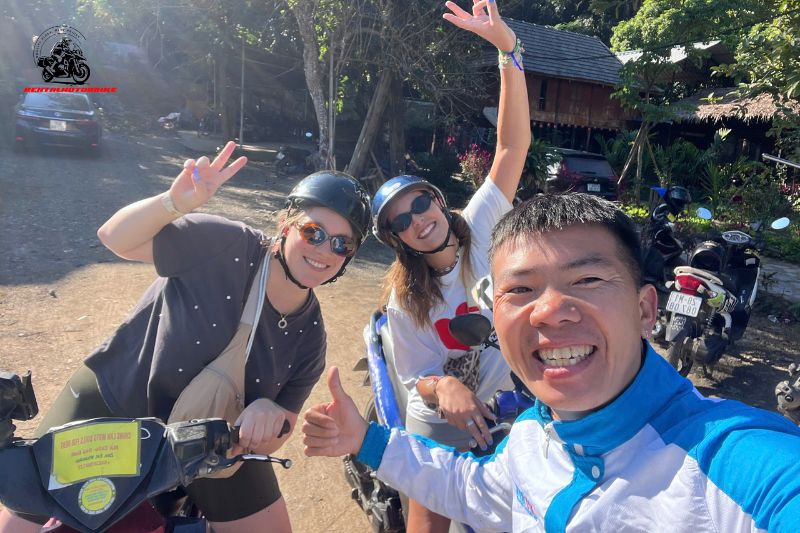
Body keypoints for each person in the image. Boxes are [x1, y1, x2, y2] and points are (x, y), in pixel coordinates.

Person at [303, 192, 800, 532]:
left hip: (498, 391)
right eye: (521, 289)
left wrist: (511, 66)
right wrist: (366, 438)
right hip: (447, 402)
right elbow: (478, 487)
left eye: (587, 280)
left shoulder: (738, 466)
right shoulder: (532, 439)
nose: (549, 311)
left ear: (646, 310)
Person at [0, 141, 372, 533]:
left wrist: (270, 413)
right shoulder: (228, 245)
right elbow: (115, 237)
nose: (324, 250)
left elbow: (279, 432)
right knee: (24, 517)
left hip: (205, 444)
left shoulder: (310, 337)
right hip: (118, 401)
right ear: (286, 225)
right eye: (313, 232)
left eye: (342, 244)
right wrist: (172, 203)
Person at [368, 1, 529, 529]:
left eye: (421, 204)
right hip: (441, 414)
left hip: (508, 402)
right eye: (401, 221)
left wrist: (508, 51)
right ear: (397, 240)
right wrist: (444, 388)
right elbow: (416, 375)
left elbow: (511, 146)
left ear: (438, 201)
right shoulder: (405, 298)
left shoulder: (480, 226)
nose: (418, 220)